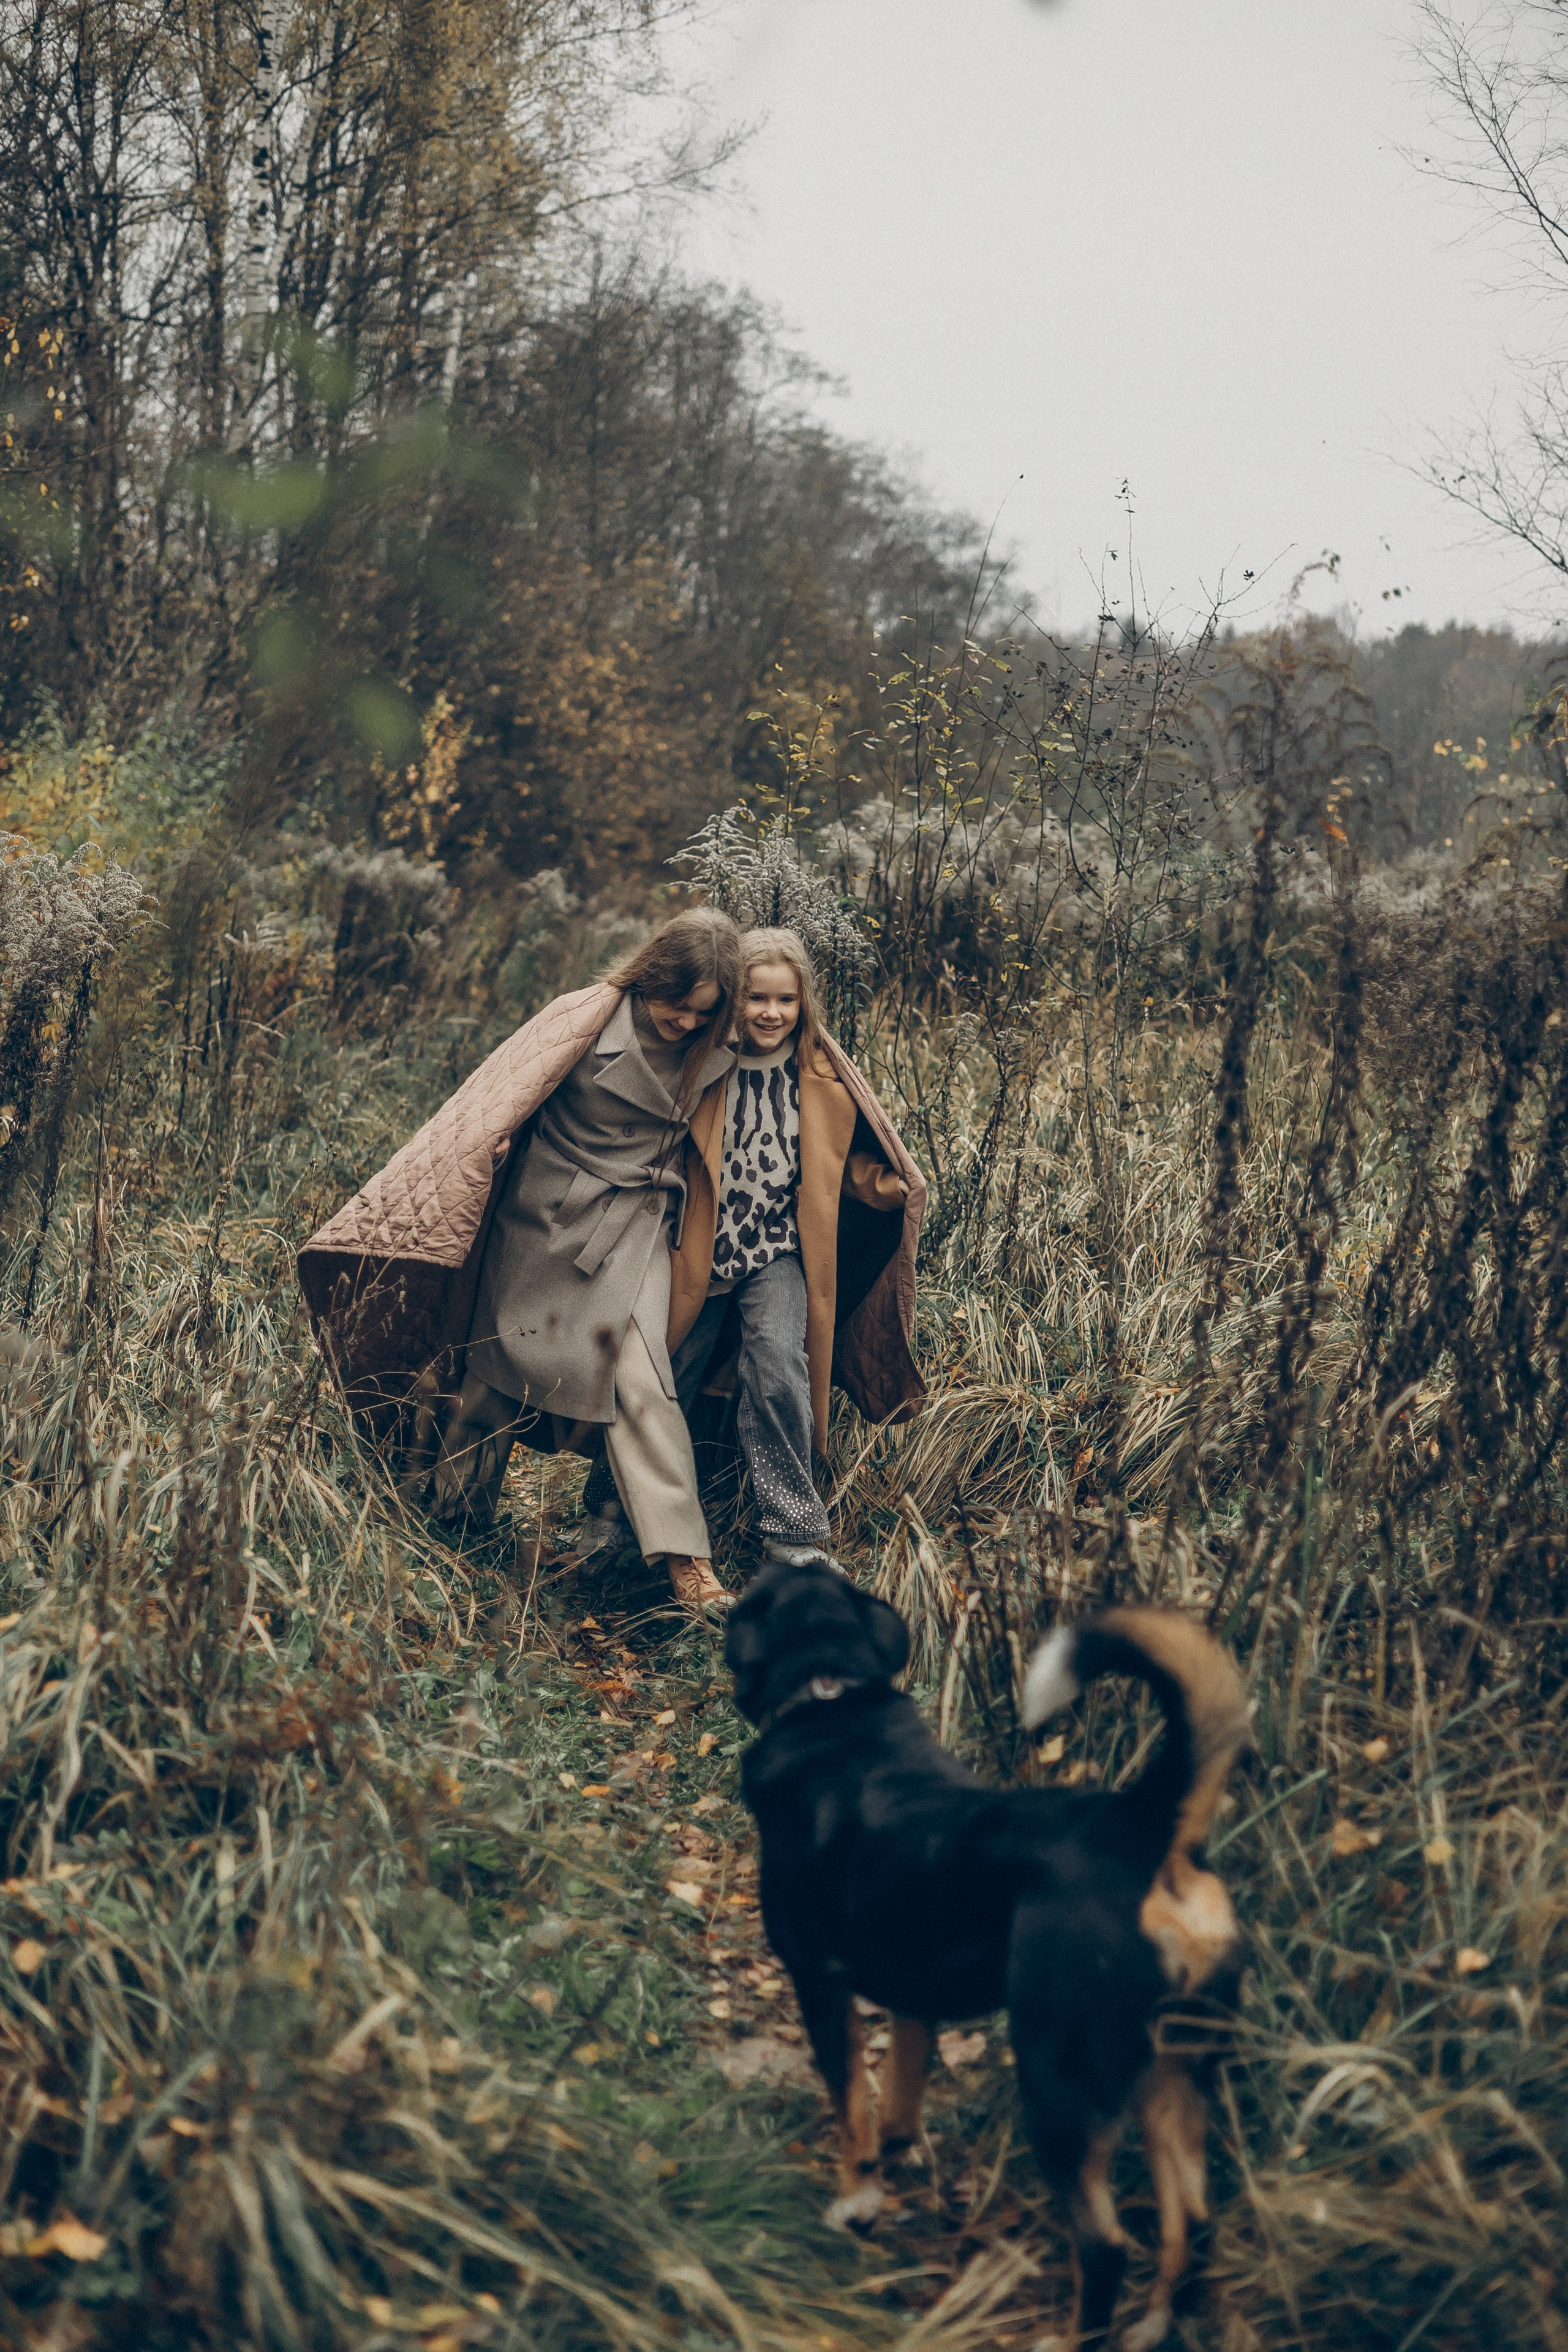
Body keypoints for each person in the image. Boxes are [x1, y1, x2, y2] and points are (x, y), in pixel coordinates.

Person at [298, 908, 742, 1618]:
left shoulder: (722, 1045)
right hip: (544, 1216)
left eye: (702, 1014)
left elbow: (801, 1058)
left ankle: (688, 1565)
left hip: (638, 1224)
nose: (685, 1024)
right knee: (499, 1364)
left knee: (642, 1376)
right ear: (650, 976)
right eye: (675, 1005)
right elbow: (490, 1103)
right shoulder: (583, 1018)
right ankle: (453, 1519)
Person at [580, 926, 914, 1572]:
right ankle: (609, 1513)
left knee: (780, 1366)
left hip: (778, 1251)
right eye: (756, 998)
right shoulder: (704, 1068)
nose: (770, 1012)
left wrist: (889, 1186)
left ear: (803, 1004)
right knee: (661, 1371)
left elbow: (834, 1165)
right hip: (696, 1250)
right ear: (733, 1003)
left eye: (785, 1000)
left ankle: (791, 1536)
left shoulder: (820, 1076)